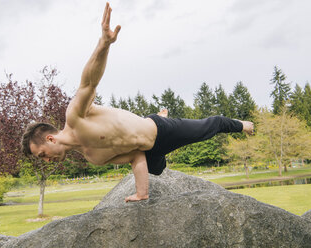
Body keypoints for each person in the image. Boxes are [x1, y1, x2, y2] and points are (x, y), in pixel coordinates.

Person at [21, 3, 254, 202]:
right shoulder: (93, 157)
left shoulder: (75, 117)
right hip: (149, 152)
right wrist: (142, 193)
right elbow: (135, 157)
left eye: (43, 154)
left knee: (210, 126)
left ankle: (242, 124)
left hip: (159, 132)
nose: (48, 160)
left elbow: (89, 83)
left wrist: (104, 44)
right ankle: (159, 116)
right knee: (157, 169)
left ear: (50, 139)